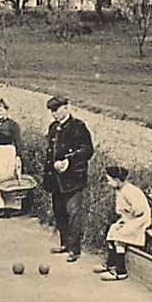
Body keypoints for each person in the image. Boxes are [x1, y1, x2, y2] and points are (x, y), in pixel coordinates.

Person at [43, 95, 94, 263]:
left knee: (73, 213)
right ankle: (64, 244)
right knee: (59, 212)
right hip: (56, 179)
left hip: (74, 179)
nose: (54, 114)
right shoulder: (53, 128)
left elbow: (87, 150)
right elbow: (50, 153)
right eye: (51, 111)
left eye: (56, 110)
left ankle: (75, 249)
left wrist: (68, 161)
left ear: (66, 107)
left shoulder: (78, 127)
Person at [93, 166, 152, 282]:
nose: (108, 183)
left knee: (119, 238)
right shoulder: (120, 190)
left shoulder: (130, 190)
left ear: (117, 180)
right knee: (112, 230)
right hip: (129, 219)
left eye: (109, 180)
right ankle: (111, 263)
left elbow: (139, 210)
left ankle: (121, 271)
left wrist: (127, 219)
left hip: (139, 220)